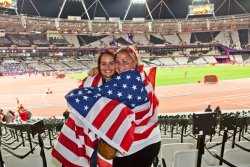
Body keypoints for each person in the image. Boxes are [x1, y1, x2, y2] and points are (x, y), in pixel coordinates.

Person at [52, 47, 160, 167]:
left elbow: (94, 94)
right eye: (117, 62)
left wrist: (74, 96)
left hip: (137, 145)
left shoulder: (129, 81)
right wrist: (98, 71)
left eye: (124, 62)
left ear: (134, 62)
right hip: (140, 141)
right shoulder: (136, 76)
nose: (120, 66)